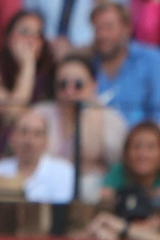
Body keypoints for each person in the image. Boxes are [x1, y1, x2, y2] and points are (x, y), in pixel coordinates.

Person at [31, 54, 126, 200]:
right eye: (62, 84)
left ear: (94, 85)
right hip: (45, 190)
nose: (69, 92)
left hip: (93, 193)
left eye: (78, 85)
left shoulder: (110, 119)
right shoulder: (40, 114)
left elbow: (119, 167)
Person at [0, 10, 53, 169]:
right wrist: (28, 66)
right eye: (24, 32)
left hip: (40, 155)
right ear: (9, 38)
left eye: (37, 35)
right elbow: (12, 112)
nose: (31, 40)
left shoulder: (49, 74)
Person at [91, 0, 160, 124]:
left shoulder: (151, 60)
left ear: (127, 28)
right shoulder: (87, 64)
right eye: (98, 29)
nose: (102, 35)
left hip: (143, 138)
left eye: (108, 28)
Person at [0, 107, 76, 199]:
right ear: (12, 138)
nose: (29, 140)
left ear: (46, 141)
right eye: (24, 132)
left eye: (37, 134)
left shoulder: (64, 172)